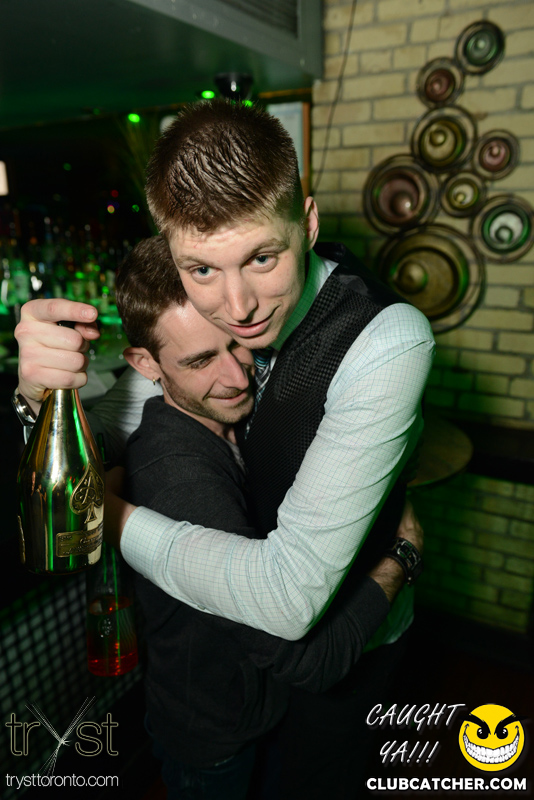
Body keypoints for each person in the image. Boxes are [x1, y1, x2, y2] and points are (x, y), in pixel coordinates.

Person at [14, 100, 434, 796]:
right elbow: (122, 418)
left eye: (262, 257)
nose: (238, 308)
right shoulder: (203, 338)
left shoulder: (384, 342)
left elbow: (288, 600)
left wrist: (106, 518)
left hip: (355, 637)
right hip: (256, 677)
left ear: (308, 224)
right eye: (202, 269)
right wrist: (39, 399)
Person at [115, 235, 421, 799]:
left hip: (263, 713)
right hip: (214, 741)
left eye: (238, 346)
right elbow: (313, 662)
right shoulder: (176, 475)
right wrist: (401, 558)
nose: (238, 378)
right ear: (145, 364)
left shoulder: (234, 422)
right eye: (201, 361)